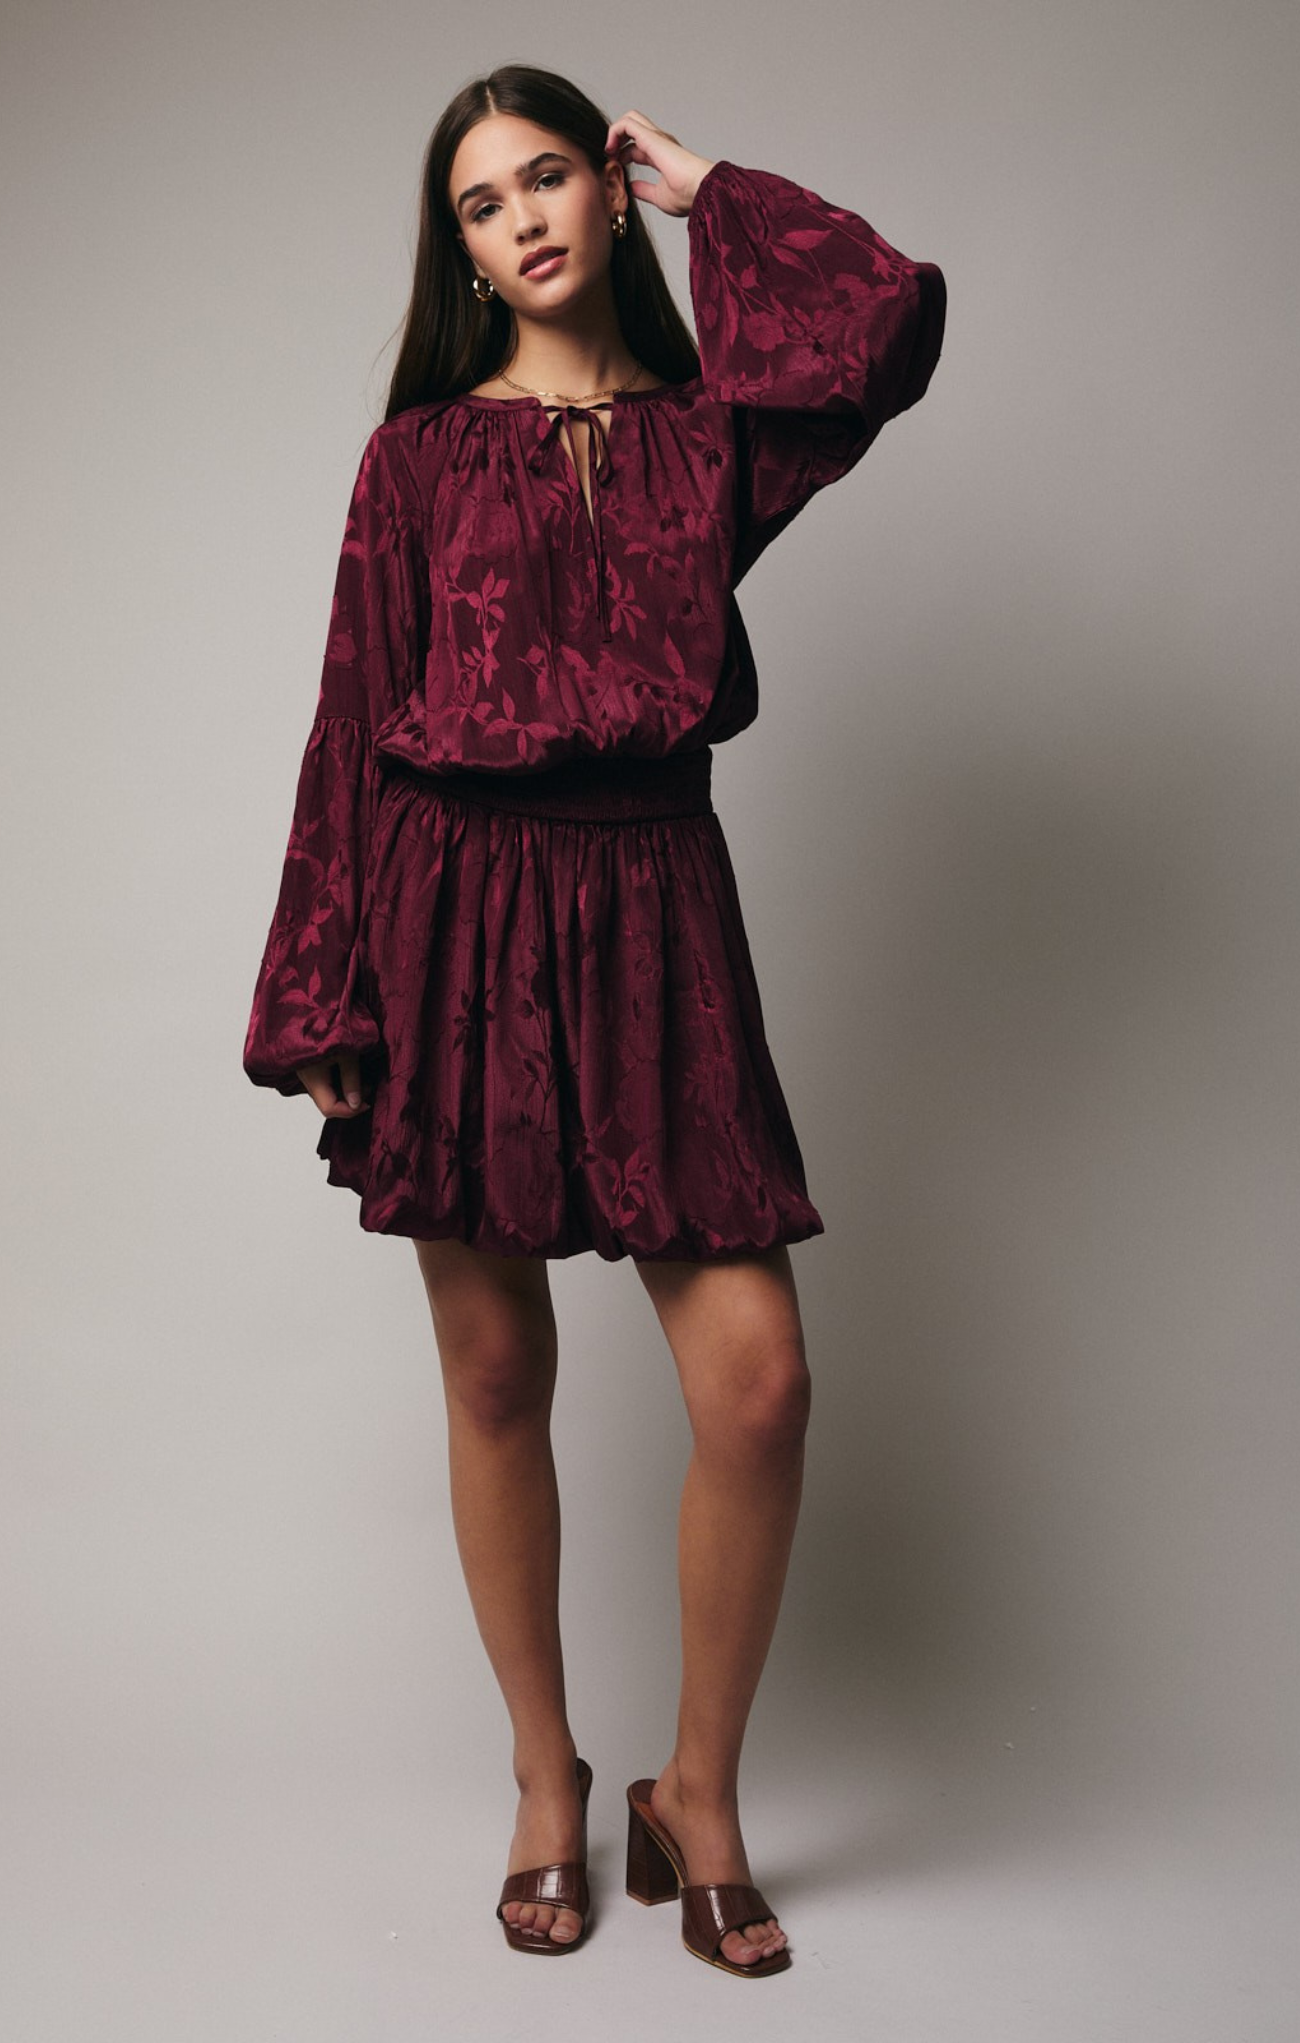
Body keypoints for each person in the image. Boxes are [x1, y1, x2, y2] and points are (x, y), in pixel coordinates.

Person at [242, 64, 946, 1977]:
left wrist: (711, 184)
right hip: (450, 915)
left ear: (602, 192)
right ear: (456, 250)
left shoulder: (712, 439)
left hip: (655, 910)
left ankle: (694, 1791)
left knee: (758, 1385)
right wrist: (324, 981)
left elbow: (879, 321)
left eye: (550, 175)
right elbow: (347, 727)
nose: (524, 218)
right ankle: (551, 1777)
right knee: (493, 1374)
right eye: (481, 201)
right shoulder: (410, 466)